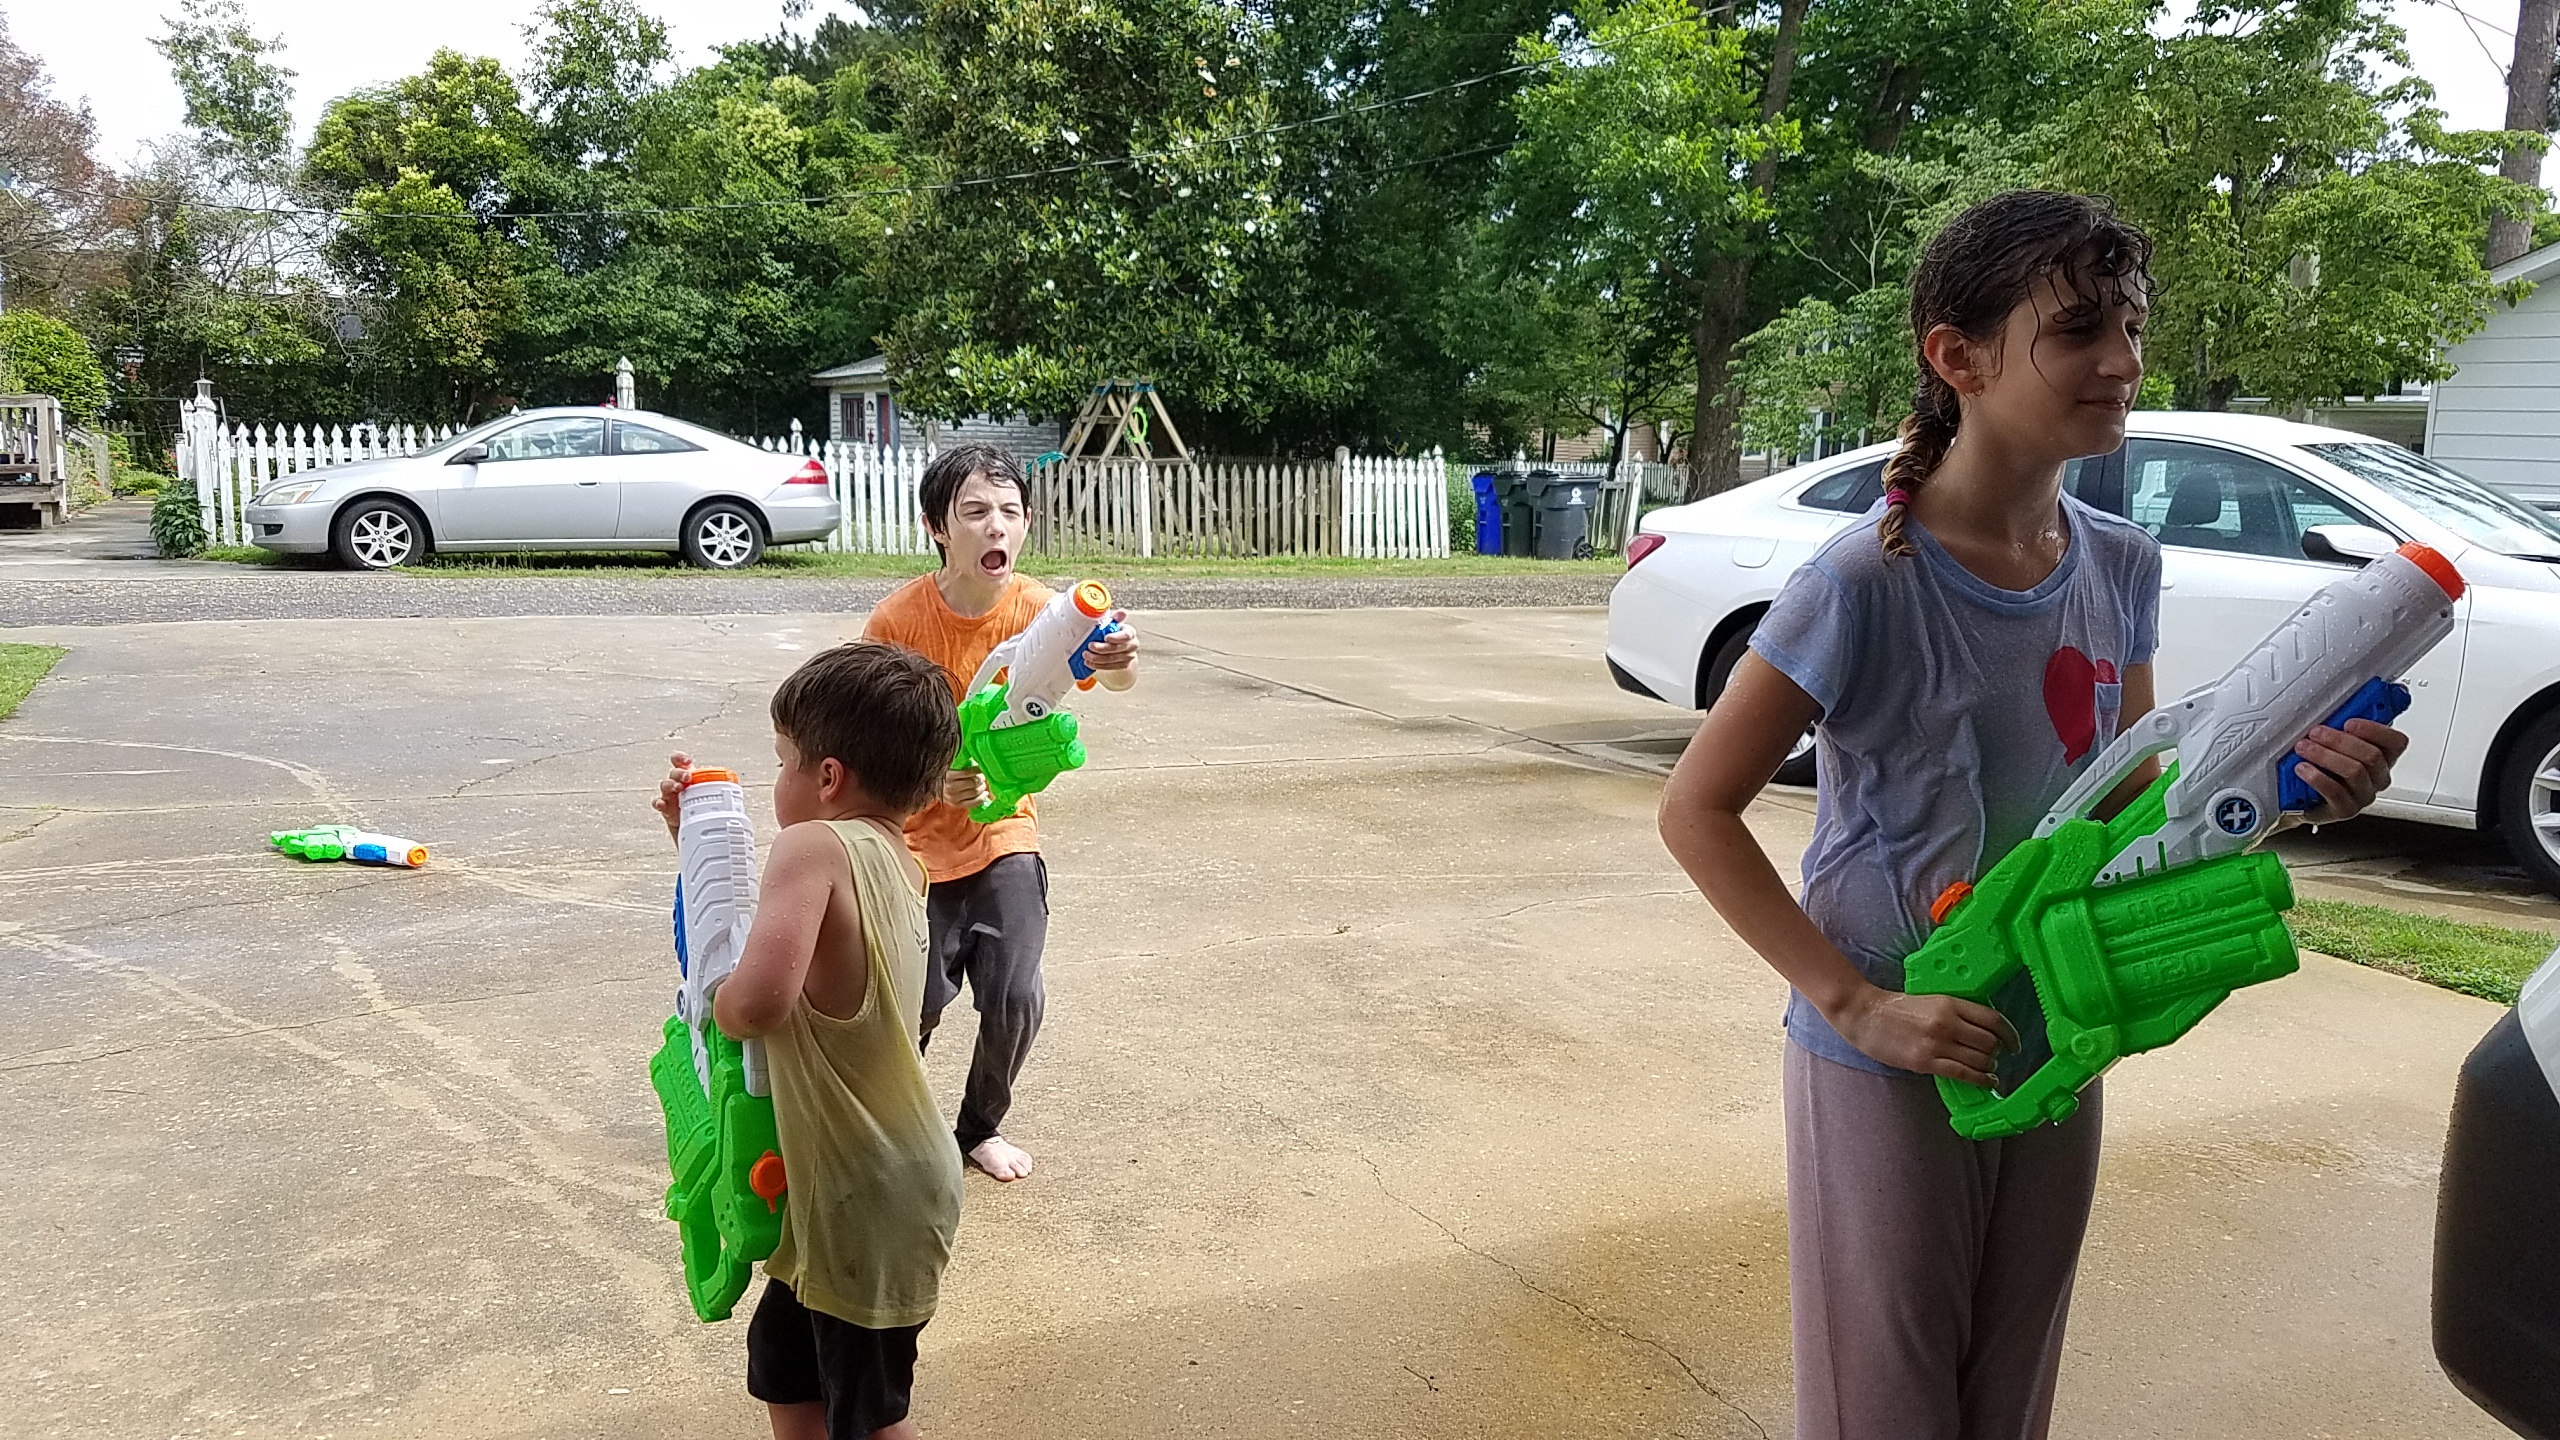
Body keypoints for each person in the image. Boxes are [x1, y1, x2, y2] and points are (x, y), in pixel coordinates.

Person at [1655, 190, 2410, 1440]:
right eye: (2076, 330)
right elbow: (1697, 809)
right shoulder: (1865, 579)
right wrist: (1856, 1005)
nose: (2121, 361)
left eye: (2131, 325)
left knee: (2009, 1393)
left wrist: (2283, 800)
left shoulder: (2120, 561)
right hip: (1890, 1055)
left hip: (2061, 1025)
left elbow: (2130, 810)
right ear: (1957, 357)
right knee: (1884, 1406)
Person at [651, 643, 966, 1440]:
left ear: (827, 777)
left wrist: (717, 1007)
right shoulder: (902, 861)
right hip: (871, 1188)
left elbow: (755, 1001)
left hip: (861, 1198)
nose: (777, 779)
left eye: (781, 760)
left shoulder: (812, 846)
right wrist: (694, 843)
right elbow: (798, 940)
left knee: (870, 1418)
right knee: (786, 1372)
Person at [862, 443, 1139, 1182]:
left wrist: (1120, 660)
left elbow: (1113, 676)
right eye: (976, 512)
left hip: (1004, 830)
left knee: (1016, 995)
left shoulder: (1045, 612)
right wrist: (933, 781)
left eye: (1010, 512)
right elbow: (867, 736)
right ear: (937, 527)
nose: (996, 527)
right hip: (915, 842)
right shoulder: (897, 621)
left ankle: (978, 1128)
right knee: (915, 1002)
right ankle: (891, 1125)